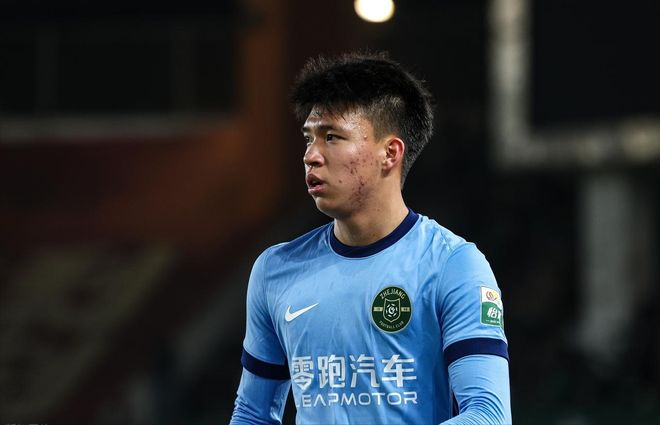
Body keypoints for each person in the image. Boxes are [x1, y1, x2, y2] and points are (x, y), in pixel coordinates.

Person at [230, 52, 511, 425]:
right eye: (309, 138)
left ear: (389, 153)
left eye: (332, 137)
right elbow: (252, 414)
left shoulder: (453, 265)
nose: (311, 156)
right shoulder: (275, 269)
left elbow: (488, 415)